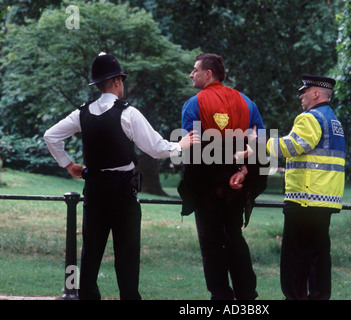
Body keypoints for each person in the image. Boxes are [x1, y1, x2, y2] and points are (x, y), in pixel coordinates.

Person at [44, 52, 199, 300]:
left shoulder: (82, 113)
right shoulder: (128, 113)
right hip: (122, 191)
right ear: (116, 81)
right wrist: (180, 145)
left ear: (98, 84)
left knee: (91, 251)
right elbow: (156, 148)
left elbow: (50, 136)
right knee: (126, 254)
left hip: (93, 188)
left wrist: (68, 164)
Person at [178, 53, 265, 300]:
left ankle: (220, 295)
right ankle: (247, 293)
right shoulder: (247, 103)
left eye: (195, 70)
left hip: (208, 188)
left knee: (211, 241)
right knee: (235, 237)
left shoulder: (193, 104)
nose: (191, 74)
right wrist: (243, 170)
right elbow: (260, 144)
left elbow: (192, 151)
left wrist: (192, 190)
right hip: (236, 185)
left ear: (208, 74)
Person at [266, 74, 345, 300]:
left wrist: (261, 141)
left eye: (305, 91)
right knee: (318, 254)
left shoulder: (310, 118)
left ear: (316, 94)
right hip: (325, 198)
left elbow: (290, 146)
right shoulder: (334, 121)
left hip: (305, 198)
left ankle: (295, 297)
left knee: (294, 256)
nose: (301, 95)